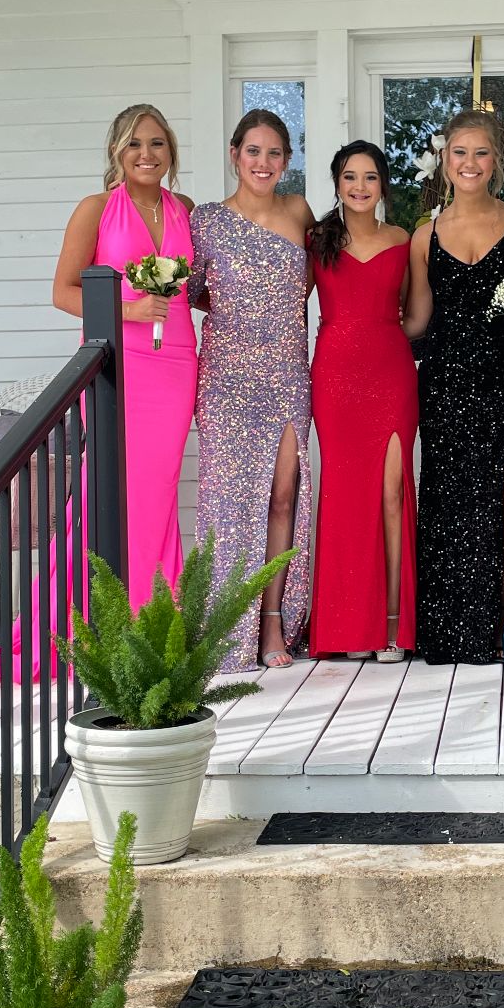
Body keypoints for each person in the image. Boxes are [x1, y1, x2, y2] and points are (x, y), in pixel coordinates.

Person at [0, 103, 198, 681]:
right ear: (116, 151)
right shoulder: (96, 210)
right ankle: (91, 626)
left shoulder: (181, 209)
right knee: (108, 492)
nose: (147, 154)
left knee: (158, 495)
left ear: (171, 152)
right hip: (122, 365)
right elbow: (62, 291)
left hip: (177, 361)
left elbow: (194, 286)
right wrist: (131, 309)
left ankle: (157, 623)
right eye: (135, 144)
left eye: (157, 144)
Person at [405, 109, 504, 664]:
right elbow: (416, 320)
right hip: (444, 379)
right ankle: (447, 629)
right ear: (444, 160)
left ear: (496, 161)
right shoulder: (423, 235)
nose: (470, 163)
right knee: (447, 500)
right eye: (460, 153)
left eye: (481, 153)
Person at [188, 109, 314, 672]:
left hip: (287, 374)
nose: (264, 163)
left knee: (282, 498)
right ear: (235, 154)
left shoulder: (300, 213)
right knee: (228, 506)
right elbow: (190, 290)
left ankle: (271, 622)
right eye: (254, 152)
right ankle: (222, 626)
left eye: (275, 154)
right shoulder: (207, 221)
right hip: (226, 380)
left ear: (286, 161)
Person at [309, 141, 415, 661]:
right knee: (346, 496)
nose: (359, 187)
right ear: (336, 184)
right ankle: (352, 627)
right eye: (350, 177)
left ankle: (393, 622)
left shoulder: (405, 239)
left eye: (370, 177)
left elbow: (417, 315)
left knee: (393, 492)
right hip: (335, 376)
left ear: (383, 185)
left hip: (391, 371)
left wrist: (388, 338)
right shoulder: (318, 240)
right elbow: (284, 300)